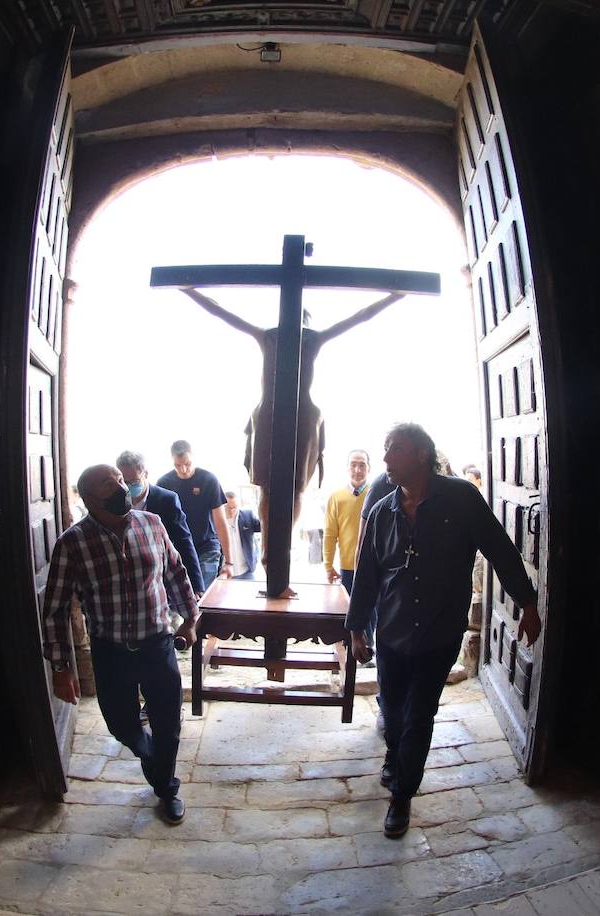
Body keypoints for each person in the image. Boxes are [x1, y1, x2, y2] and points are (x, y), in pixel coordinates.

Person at [347, 422, 542, 839]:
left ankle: (402, 796)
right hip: (394, 632)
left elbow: (500, 549)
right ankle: (395, 756)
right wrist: (357, 629)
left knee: (420, 714)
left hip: (438, 633)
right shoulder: (383, 512)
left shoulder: (461, 498)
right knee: (394, 712)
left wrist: (527, 602)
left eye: (393, 450)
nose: (385, 460)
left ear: (420, 454)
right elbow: (367, 574)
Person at [179, 287, 405, 565]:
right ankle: (272, 551)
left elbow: (359, 317)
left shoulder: (297, 338)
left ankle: (280, 548)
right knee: (271, 486)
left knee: (289, 488)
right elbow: (222, 312)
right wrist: (190, 292)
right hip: (277, 414)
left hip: (298, 415)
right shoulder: (276, 336)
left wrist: (190, 291)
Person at [42, 464, 199, 825]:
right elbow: (55, 610)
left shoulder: (152, 524)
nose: (119, 487)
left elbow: (174, 572)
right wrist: (61, 668)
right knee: (121, 724)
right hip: (110, 651)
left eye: (118, 479)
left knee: (167, 722)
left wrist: (190, 619)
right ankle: (152, 757)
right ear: (89, 499)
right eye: (107, 484)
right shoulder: (73, 542)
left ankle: (166, 787)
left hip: (157, 644)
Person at [116, 450, 204, 596]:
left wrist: (196, 585)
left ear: (146, 474)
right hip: (128, 576)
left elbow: (183, 541)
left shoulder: (166, 500)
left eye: (135, 481)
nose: (130, 486)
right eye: (125, 482)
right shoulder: (115, 501)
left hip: (160, 573)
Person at [155, 440, 232, 591]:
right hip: (178, 548)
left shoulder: (209, 479)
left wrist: (229, 562)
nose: (184, 470)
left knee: (202, 594)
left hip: (207, 545)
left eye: (188, 464)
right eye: (178, 465)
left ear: (193, 458)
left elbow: (220, 521)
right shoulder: (164, 483)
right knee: (182, 596)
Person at [325, 449, 371, 594]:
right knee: (347, 612)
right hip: (347, 568)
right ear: (347, 468)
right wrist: (328, 565)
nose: (357, 470)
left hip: (373, 566)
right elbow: (330, 534)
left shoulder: (375, 494)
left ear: (368, 468)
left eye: (362, 465)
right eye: (353, 465)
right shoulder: (336, 497)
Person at [222, 490, 262, 580]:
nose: (232, 511)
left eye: (234, 507)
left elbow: (262, 526)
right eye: (228, 508)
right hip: (225, 573)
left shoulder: (248, 516)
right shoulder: (216, 520)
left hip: (246, 571)